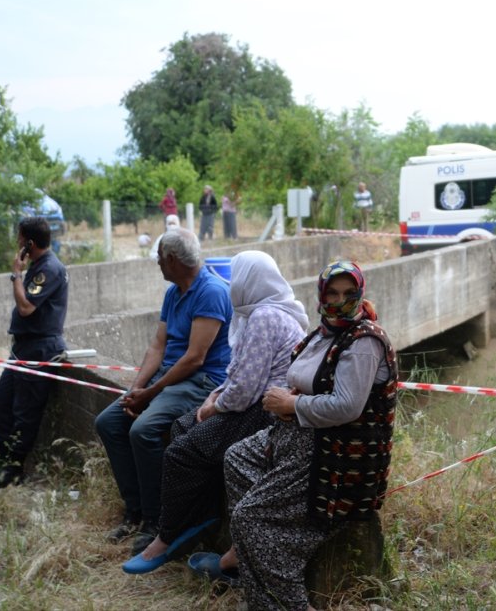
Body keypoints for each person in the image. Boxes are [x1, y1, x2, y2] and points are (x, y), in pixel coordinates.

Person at [188, 260, 399, 610]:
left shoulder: (364, 343)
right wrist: (287, 405)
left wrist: (291, 404)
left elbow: (347, 406)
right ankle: (250, 552)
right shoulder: (324, 333)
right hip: (297, 435)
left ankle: (281, 592)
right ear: (322, 293)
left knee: (250, 518)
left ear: (361, 294)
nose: (340, 300)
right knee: (237, 457)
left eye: (349, 293)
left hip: (333, 452)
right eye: (332, 292)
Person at [122, 251, 308, 574]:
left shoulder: (265, 317)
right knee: (182, 426)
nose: (232, 284)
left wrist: (214, 406)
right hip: (252, 404)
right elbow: (241, 375)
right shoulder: (264, 312)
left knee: (179, 453)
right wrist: (216, 395)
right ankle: (202, 513)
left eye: (237, 277)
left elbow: (246, 390)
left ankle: (167, 535)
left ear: (250, 281)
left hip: (264, 414)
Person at [95, 227, 232, 555]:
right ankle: (136, 509)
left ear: (171, 259)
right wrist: (135, 389)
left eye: (159, 257)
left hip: (200, 382)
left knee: (143, 430)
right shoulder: (174, 293)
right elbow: (158, 345)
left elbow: (195, 359)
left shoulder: (211, 291)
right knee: (109, 422)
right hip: (169, 379)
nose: (157, 263)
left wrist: (151, 392)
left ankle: (159, 522)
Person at [0, 217, 70, 489]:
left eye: (20, 238)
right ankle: (5, 460)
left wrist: (16, 274)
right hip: (24, 348)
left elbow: (26, 308)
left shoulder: (49, 269)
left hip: (40, 348)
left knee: (25, 412)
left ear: (29, 243)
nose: (17, 243)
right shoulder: (40, 266)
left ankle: (13, 468)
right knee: (0, 402)